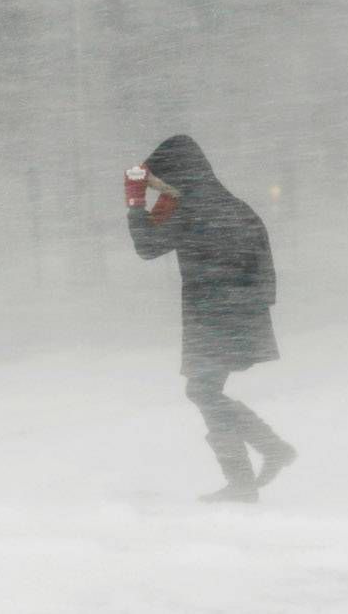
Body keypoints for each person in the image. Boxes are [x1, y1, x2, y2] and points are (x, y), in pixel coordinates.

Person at [125, 135, 296, 503]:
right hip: (241, 316)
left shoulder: (189, 208)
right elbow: (265, 266)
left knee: (202, 391)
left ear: (178, 173)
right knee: (205, 391)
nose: (162, 185)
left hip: (213, 315)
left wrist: (136, 202)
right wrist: (255, 308)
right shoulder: (235, 206)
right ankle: (266, 457)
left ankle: (248, 477)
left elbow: (147, 247)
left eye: (163, 177)